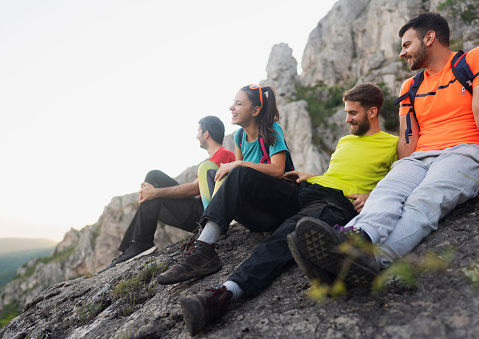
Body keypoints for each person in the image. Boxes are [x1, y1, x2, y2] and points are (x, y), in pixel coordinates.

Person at [291, 12, 479, 291]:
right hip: (419, 158)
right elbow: (409, 140)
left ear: (429, 38)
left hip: (465, 152)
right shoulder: (410, 86)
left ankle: (370, 262)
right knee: (388, 193)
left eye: (407, 45)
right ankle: (353, 242)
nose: (402, 53)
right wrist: (386, 184)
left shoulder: (477, 58)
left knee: (424, 199)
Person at [176, 83, 399, 336]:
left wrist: (372, 195)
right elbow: (337, 174)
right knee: (239, 174)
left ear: (372, 112)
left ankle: (225, 293)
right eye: (346, 112)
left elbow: (402, 182)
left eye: (352, 113)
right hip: (306, 188)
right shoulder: (345, 141)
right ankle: (204, 248)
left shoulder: (392, 145)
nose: (347, 119)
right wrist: (313, 175)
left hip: (334, 203)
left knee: (287, 235)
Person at [156, 84, 293, 285]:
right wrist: (234, 167)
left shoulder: (271, 129)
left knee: (236, 171)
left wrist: (239, 163)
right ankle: (207, 237)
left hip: (279, 207)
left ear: (255, 111)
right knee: (212, 170)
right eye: (232, 103)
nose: (231, 107)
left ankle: (203, 249)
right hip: (257, 216)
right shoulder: (239, 136)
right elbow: (234, 178)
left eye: (238, 104)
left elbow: (278, 170)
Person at [103, 116, 235, 270]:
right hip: (198, 214)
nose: (196, 135)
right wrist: (152, 194)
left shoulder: (223, 154)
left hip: (205, 214)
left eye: (198, 131)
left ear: (206, 134)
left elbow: (194, 189)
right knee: (152, 205)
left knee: (154, 176)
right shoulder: (214, 157)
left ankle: (141, 244)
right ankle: (132, 248)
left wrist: (156, 192)